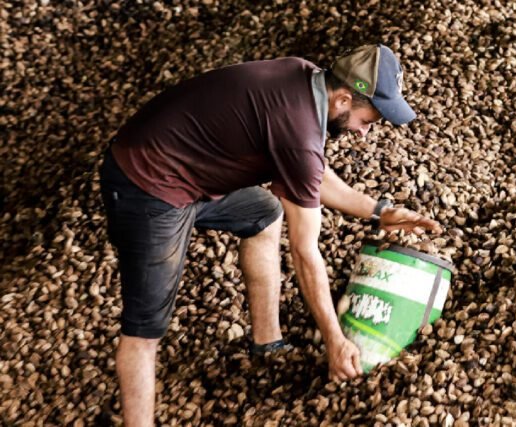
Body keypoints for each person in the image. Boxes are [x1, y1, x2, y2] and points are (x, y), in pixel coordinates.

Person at [99, 44, 441, 426]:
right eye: (368, 120)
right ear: (344, 99)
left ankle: (268, 343)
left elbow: (310, 172)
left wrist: (380, 211)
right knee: (145, 330)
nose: (364, 133)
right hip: (148, 183)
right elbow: (304, 251)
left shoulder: (307, 80)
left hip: (189, 171)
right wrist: (334, 340)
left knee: (264, 213)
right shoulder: (299, 127)